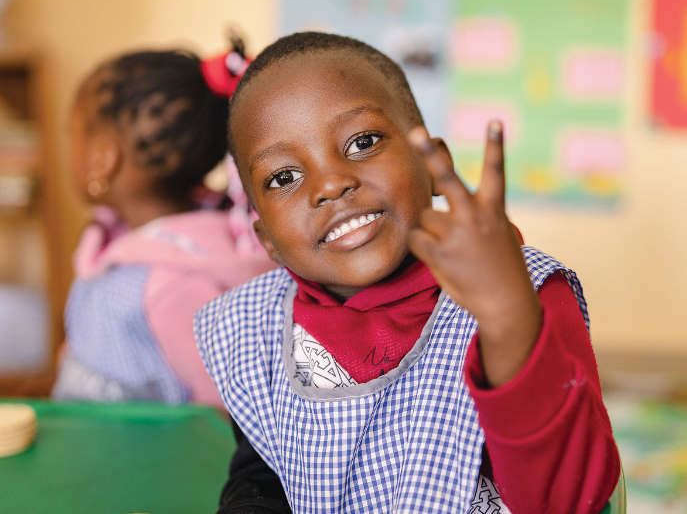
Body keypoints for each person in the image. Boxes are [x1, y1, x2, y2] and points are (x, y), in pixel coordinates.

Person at [194, 32, 621, 513]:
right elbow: (262, 482)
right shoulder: (254, 329)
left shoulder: (523, 290)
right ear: (266, 239)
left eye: (362, 142)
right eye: (284, 177)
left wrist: (507, 316)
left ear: (432, 163)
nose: (331, 184)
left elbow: (569, 499)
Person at [52, 45, 275, 406]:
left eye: (72, 132)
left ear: (102, 160)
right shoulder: (115, 239)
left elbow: (229, 412)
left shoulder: (173, 283)